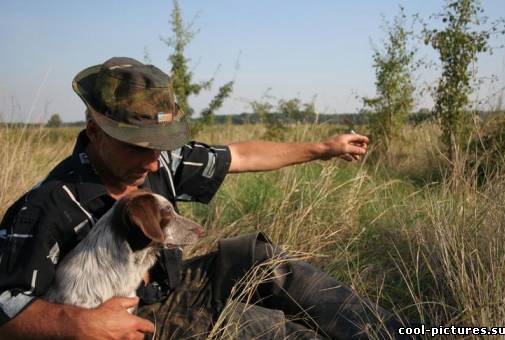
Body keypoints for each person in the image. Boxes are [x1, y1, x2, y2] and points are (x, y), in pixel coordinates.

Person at [0, 57, 407, 339]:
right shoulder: (49, 205)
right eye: (137, 146)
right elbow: (5, 310)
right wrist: (76, 325)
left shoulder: (159, 161)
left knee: (268, 263)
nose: (155, 162)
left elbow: (243, 154)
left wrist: (322, 148)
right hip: (132, 318)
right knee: (265, 329)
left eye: (158, 146)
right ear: (95, 131)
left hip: (174, 283)